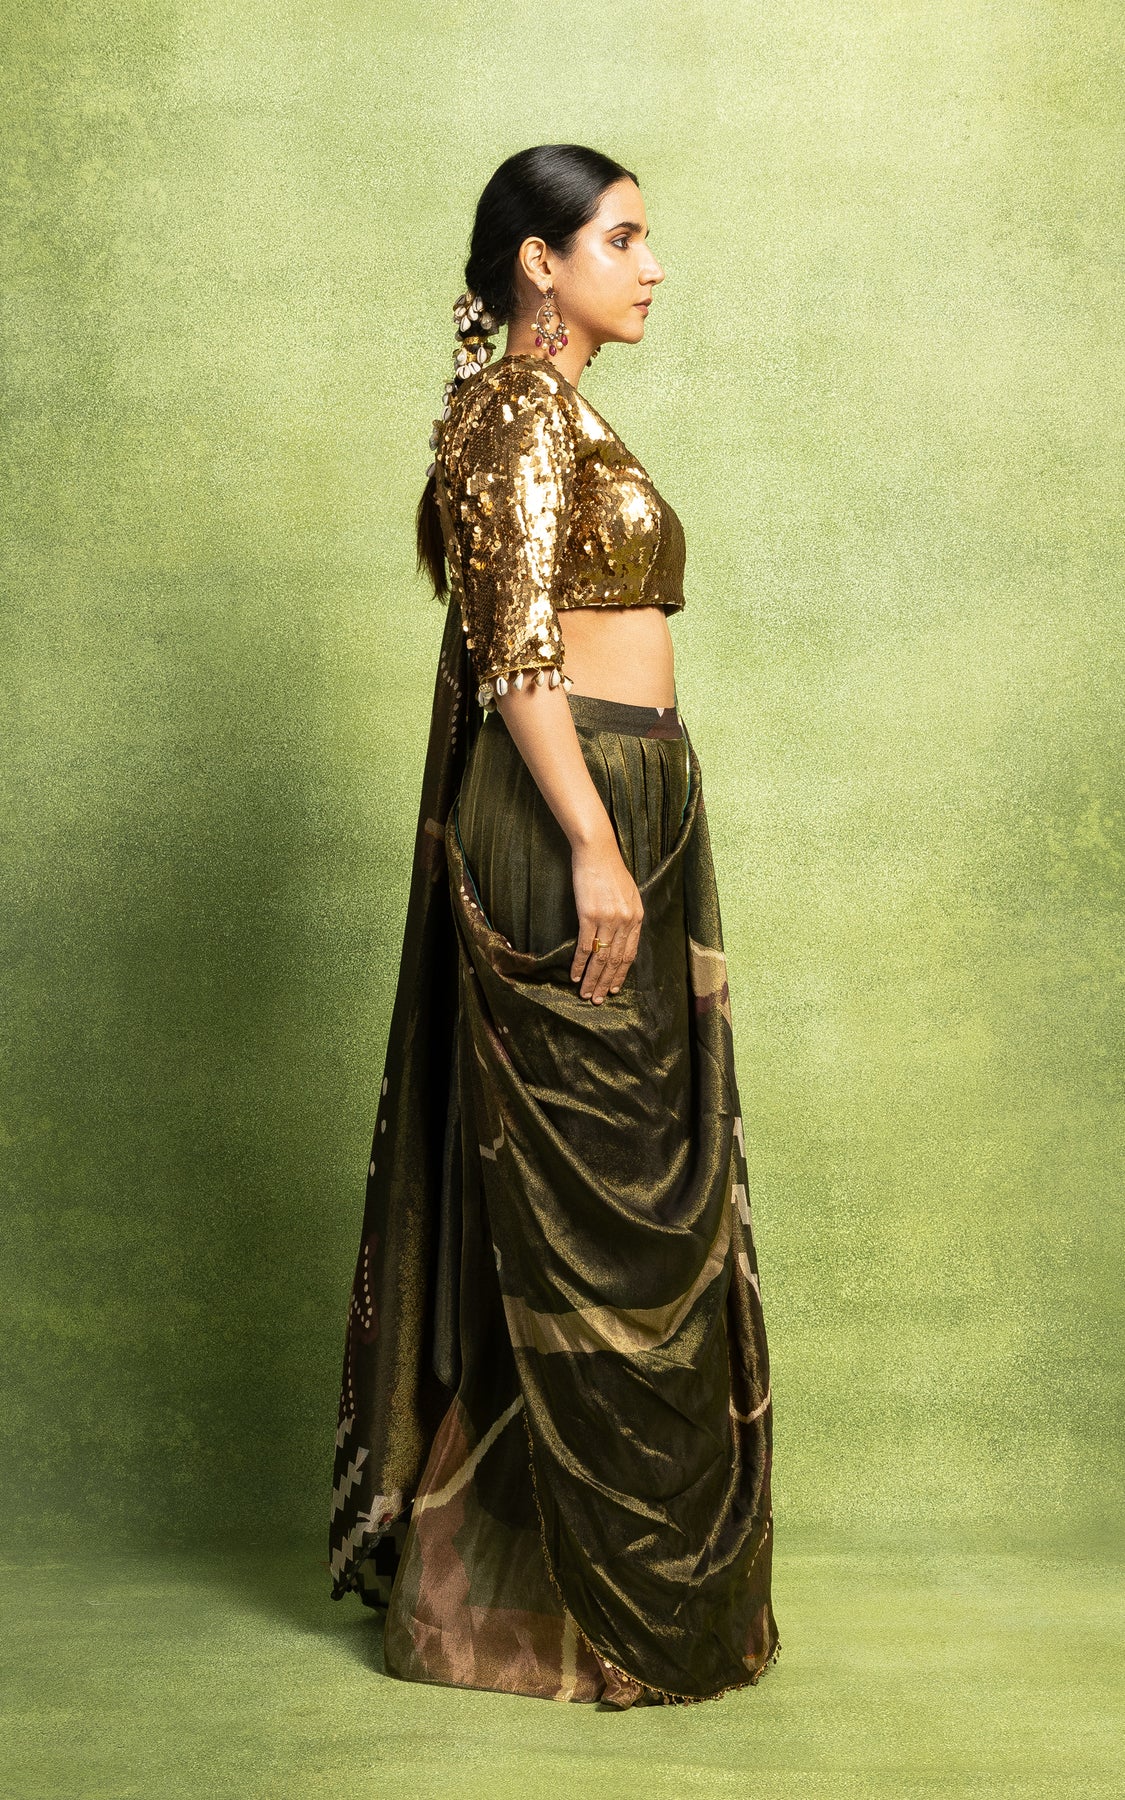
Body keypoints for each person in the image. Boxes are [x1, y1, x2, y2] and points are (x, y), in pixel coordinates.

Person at [328, 143, 781, 1708]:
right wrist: (591, 841)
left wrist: (629, 824)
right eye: (622, 238)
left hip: (627, 801)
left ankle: (595, 1604)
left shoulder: (560, 414)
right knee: (584, 1194)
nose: (651, 267)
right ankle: (545, 1620)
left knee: (633, 1182)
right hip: (567, 814)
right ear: (539, 260)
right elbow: (517, 653)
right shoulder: (516, 414)